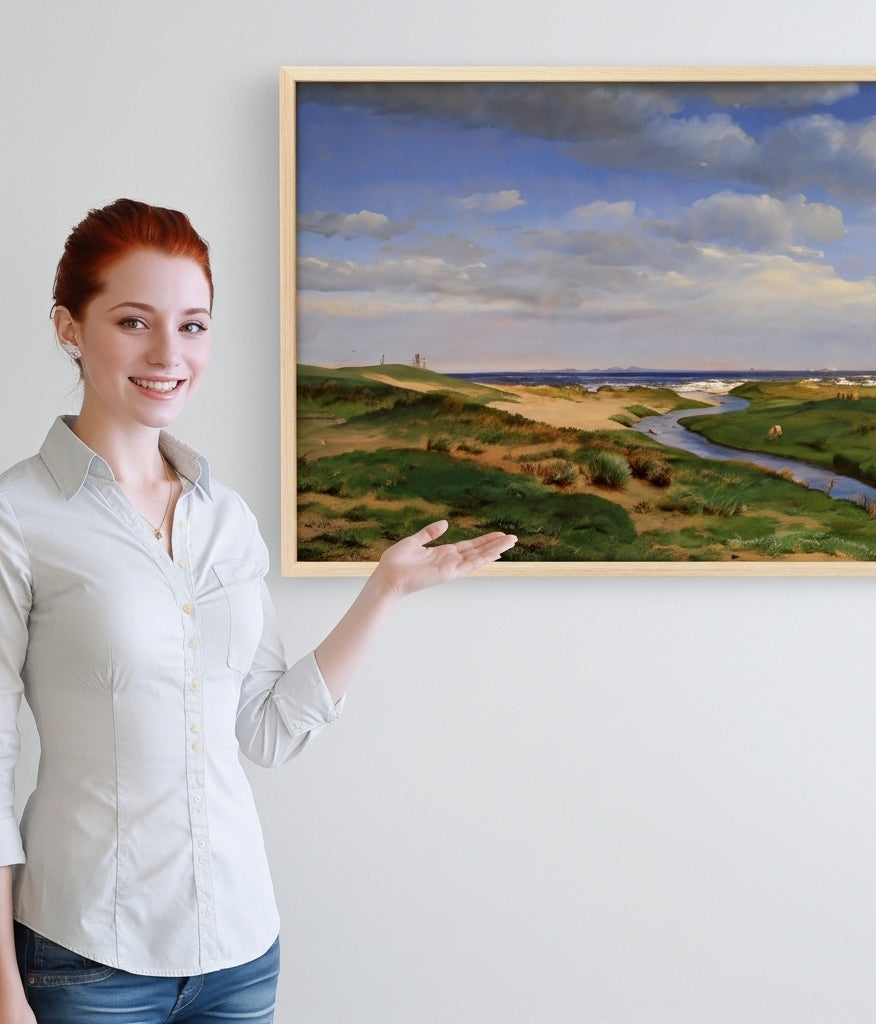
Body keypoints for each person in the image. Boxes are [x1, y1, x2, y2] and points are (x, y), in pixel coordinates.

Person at [0, 198, 516, 1023]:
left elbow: (264, 728)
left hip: (240, 952)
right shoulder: (18, 517)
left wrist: (383, 592)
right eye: (134, 321)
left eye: (193, 325)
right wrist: (5, 995)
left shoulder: (226, 519)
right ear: (69, 327)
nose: (169, 353)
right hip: (88, 959)